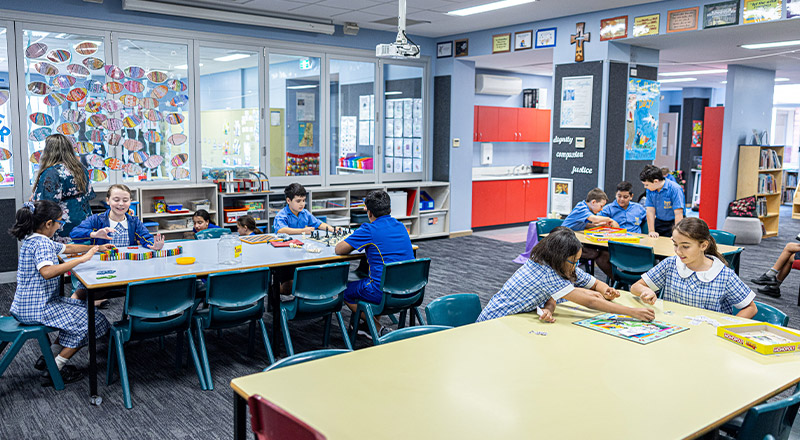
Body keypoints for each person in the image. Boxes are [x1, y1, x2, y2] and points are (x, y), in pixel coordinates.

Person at [8, 200, 114, 386]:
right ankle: (54, 368)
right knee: (92, 321)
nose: (60, 226)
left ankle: (49, 356)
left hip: (28, 304)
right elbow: (47, 272)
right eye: (59, 222)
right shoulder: (42, 245)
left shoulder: (35, 239)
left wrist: (95, 248)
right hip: (38, 309)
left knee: (83, 310)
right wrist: (82, 260)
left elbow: (68, 248)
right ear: (49, 224)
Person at [477, 227, 655, 323]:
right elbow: (591, 302)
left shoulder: (558, 265)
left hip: (516, 320)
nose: (576, 266)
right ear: (559, 257)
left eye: (578, 260)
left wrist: (605, 289)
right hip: (495, 322)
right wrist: (632, 312)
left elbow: (592, 283)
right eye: (573, 261)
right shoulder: (545, 271)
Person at [630, 218, 757, 318]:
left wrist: (726, 328)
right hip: (673, 329)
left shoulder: (724, 275)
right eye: (675, 245)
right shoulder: (670, 264)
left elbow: (751, 308)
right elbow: (635, 287)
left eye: (685, 246)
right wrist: (645, 291)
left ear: (703, 245)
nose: (678, 252)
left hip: (707, 337)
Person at [335, 190, 415, 338]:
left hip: (383, 292)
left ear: (369, 213)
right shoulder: (400, 226)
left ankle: (377, 327)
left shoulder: (368, 229)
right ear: (390, 209)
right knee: (370, 278)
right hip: (411, 289)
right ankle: (367, 326)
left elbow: (339, 249)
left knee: (342, 289)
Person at [70, 184, 164, 299]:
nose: (120, 204)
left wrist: (153, 244)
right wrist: (94, 234)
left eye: (125, 200)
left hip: (128, 266)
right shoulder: (97, 219)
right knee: (82, 293)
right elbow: (74, 233)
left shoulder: (134, 221)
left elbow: (145, 237)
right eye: (116, 200)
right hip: (102, 265)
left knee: (149, 286)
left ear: (130, 202)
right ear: (108, 201)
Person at [31, 134, 95, 243]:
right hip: (84, 221)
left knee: (65, 257)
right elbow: (89, 194)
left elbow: (45, 204)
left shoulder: (51, 172)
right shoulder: (81, 169)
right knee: (84, 255)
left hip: (62, 225)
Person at [561, 187, 616, 278]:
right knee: (595, 253)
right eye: (601, 206)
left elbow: (586, 225)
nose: (602, 209)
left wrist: (601, 226)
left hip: (573, 239)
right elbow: (594, 219)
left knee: (603, 253)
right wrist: (609, 219)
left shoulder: (586, 209)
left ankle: (614, 278)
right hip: (564, 240)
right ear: (593, 202)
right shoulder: (581, 207)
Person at [640, 164, 685, 238]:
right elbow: (650, 210)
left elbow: (678, 213)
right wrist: (651, 231)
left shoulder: (675, 189)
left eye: (647, 185)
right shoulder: (650, 190)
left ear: (656, 181)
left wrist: (676, 234)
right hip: (659, 221)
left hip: (674, 222)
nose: (645, 187)